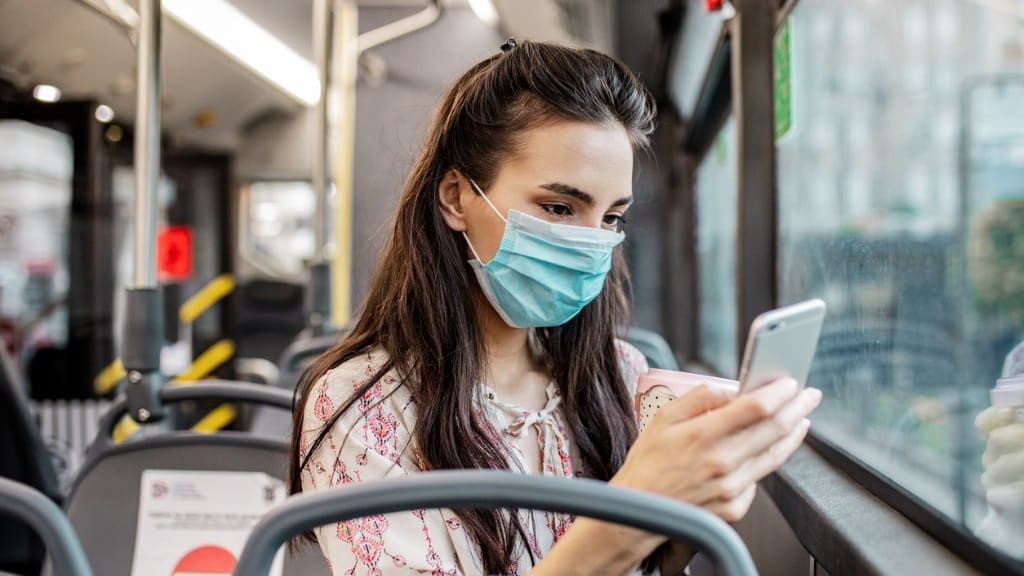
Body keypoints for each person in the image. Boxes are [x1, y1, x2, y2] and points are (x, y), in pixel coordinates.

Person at [289, 40, 821, 576]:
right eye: (560, 207)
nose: (592, 246)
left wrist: (682, 520)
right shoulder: (363, 406)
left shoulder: (624, 374)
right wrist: (631, 511)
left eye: (611, 218)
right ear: (456, 197)